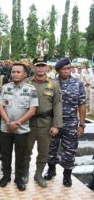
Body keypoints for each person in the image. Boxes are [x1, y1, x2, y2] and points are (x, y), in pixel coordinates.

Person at [44, 57, 86, 187]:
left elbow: (82, 104)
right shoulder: (51, 83)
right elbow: (46, 103)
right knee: (51, 149)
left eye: (69, 68)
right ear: (58, 70)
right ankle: (51, 170)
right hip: (54, 123)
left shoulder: (78, 83)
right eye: (64, 69)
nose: (67, 71)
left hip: (71, 123)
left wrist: (82, 124)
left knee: (70, 150)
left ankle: (67, 175)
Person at [0, 63, 38, 191]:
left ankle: (19, 178)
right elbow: (0, 107)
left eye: (18, 72)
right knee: (5, 154)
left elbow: (32, 111)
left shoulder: (31, 89)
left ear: (25, 74)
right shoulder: (5, 88)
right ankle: (6, 176)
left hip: (22, 129)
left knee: (20, 155)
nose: (15, 74)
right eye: (13, 72)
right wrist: (9, 123)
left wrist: (17, 123)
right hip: (5, 128)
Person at [23, 56, 63, 188]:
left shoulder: (54, 84)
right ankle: (24, 173)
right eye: (38, 65)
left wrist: (56, 125)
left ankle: (38, 174)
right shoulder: (27, 82)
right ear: (33, 67)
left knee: (43, 152)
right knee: (26, 150)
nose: (40, 68)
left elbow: (57, 104)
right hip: (29, 122)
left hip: (46, 123)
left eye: (43, 65)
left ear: (47, 67)